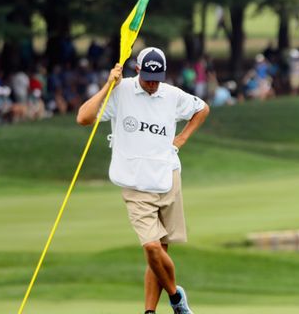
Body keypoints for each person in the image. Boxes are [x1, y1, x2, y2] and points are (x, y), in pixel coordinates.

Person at [76, 47, 209, 314]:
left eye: (157, 78)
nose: (152, 83)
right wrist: (107, 85)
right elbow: (84, 118)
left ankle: (149, 311)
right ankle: (176, 297)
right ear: (137, 70)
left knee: (161, 252)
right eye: (148, 77)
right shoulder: (121, 91)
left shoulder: (171, 95)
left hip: (167, 176)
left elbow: (202, 109)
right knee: (151, 247)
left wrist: (181, 139)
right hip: (135, 182)